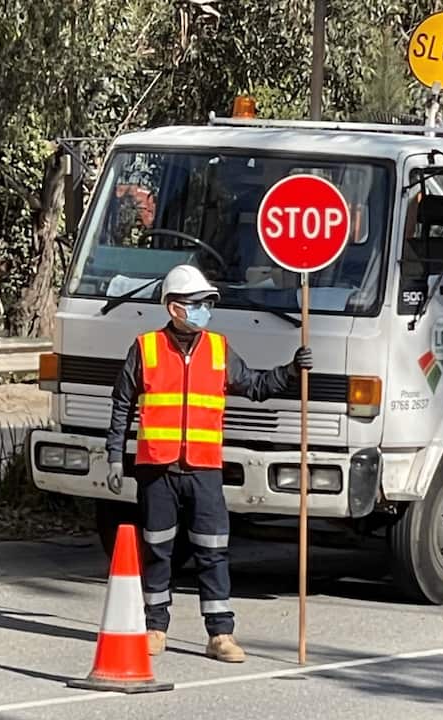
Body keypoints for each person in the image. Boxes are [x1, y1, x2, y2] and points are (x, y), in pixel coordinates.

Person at [104, 264, 312, 663]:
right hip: (157, 469)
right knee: (158, 550)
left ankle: (220, 635)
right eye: (198, 303)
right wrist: (116, 455)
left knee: (213, 550)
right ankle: (155, 627)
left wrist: (291, 369)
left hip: (203, 469)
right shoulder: (145, 348)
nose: (205, 311)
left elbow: (255, 386)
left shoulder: (218, 349)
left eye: (208, 304)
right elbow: (121, 404)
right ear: (174, 307)